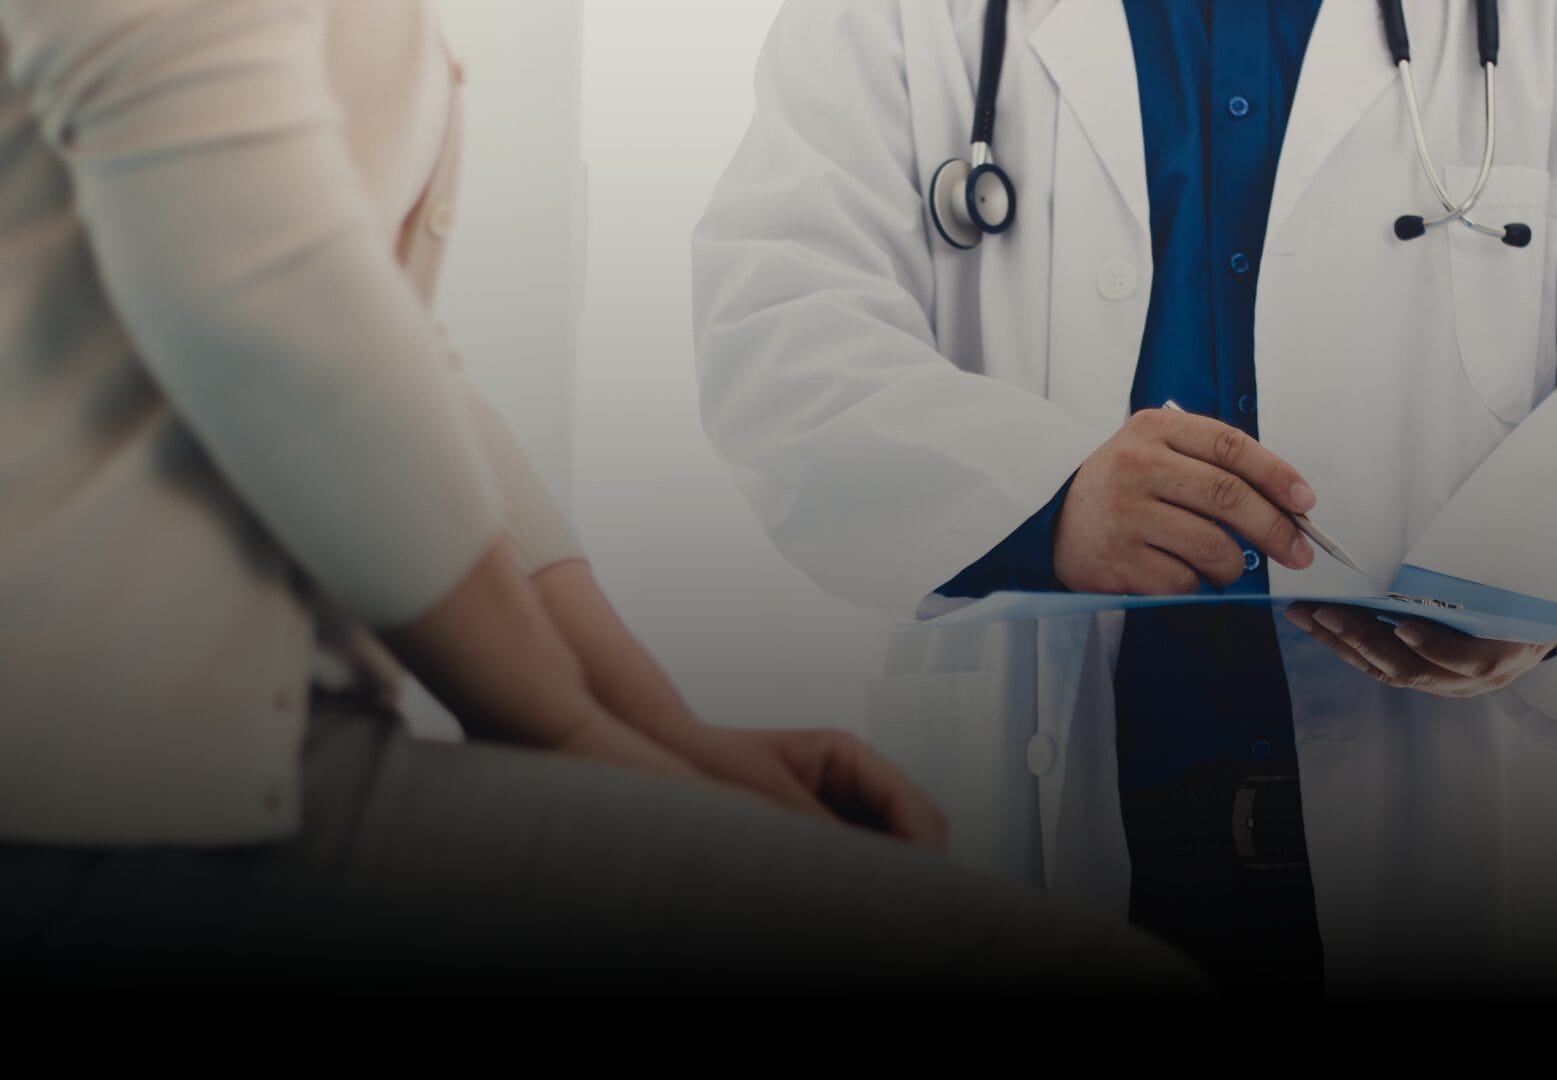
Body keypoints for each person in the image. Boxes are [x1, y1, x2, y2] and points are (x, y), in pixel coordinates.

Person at [0, 0, 1204, 998]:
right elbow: (275, 319)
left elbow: (397, 363)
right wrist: (566, 730)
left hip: (234, 761)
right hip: (129, 791)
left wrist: (655, 731)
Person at [693, 0, 1557, 998]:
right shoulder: (897, 19)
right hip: (1045, 815)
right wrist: (1045, 500)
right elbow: (781, 329)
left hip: (1445, 824)